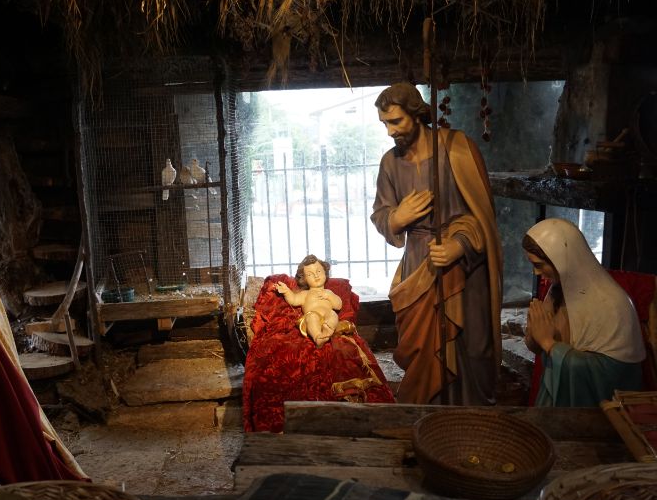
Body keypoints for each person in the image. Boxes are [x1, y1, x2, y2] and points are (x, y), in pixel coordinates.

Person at [370, 83, 503, 405]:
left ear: (416, 114)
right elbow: (381, 214)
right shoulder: (390, 162)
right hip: (420, 264)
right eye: (385, 124)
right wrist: (397, 218)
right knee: (422, 349)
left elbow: (483, 215)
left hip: (466, 267)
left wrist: (459, 244)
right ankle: (427, 420)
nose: (390, 132)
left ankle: (473, 420)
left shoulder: (458, 149)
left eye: (396, 121)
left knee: (473, 346)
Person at [523, 218, 645, 407]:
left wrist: (549, 344)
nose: (536, 273)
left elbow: (613, 375)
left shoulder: (613, 304)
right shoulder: (557, 290)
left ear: (560, 260)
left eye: (539, 265)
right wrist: (535, 334)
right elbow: (539, 344)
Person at [275, 254, 343, 348]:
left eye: (318, 271)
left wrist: (330, 296)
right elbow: (294, 300)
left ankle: (328, 329)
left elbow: (338, 305)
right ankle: (318, 337)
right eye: (310, 274)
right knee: (311, 317)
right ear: (304, 279)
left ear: (325, 272)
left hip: (327, 316)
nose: (316, 275)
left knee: (333, 314)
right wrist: (286, 292)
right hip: (312, 318)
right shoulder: (305, 294)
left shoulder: (328, 292)